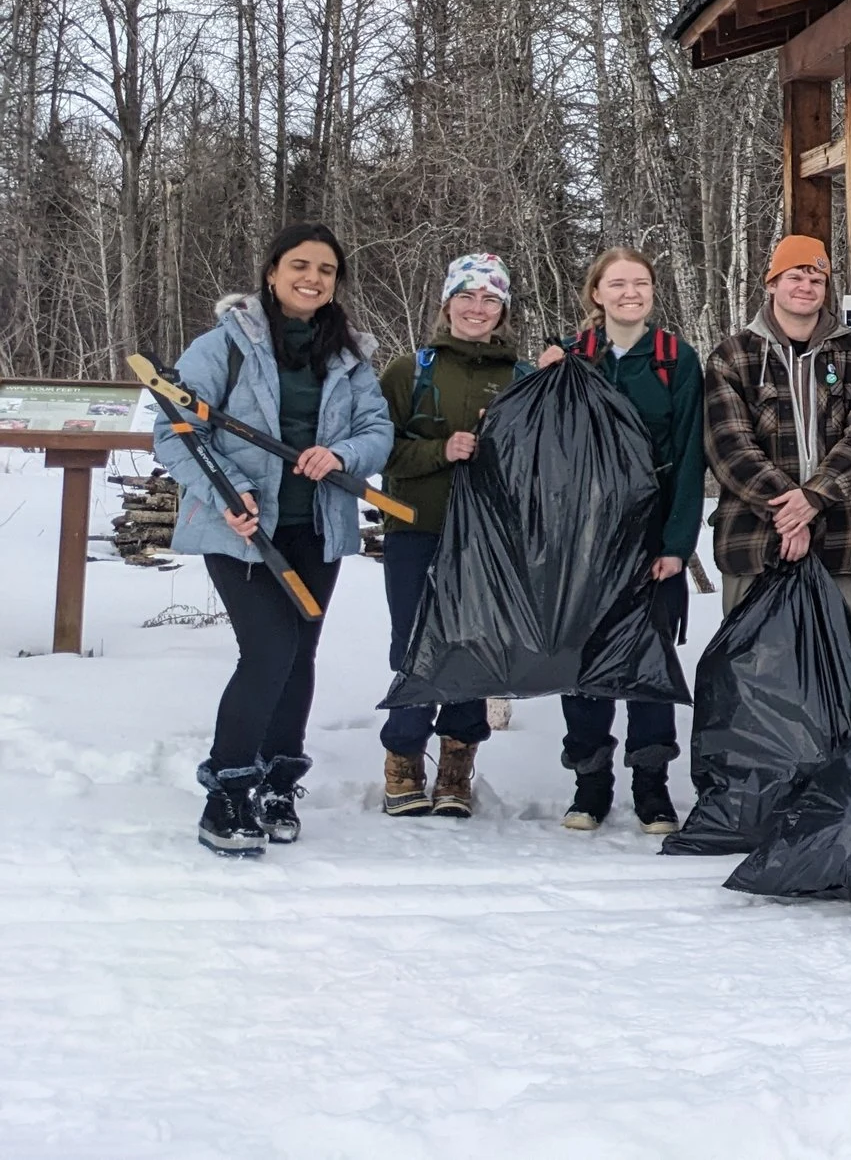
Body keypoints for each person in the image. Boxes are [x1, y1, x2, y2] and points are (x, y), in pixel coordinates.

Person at [153, 225, 392, 857]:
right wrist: (230, 491)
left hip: (316, 526)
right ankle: (226, 792)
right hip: (242, 531)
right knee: (269, 652)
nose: (312, 278)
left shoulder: (348, 356)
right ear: (271, 272)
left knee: (299, 655)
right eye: (299, 265)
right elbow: (174, 430)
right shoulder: (223, 344)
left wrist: (339, 454)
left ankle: (278, 782)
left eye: (326, 269)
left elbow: (376, 430)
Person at [545, 246, 707, 835]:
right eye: (617, 284)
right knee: (582, 657)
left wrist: (676, 543)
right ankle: (590, 784)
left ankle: (652, 786)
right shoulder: (570, 359)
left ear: (652, 292)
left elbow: (692, 455)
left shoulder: (674, 360)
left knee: (649, 660)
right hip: (582, 538)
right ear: (597, 294)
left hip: (651, 533)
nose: (629, 293)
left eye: (640, 283)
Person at [376, 252, 529, 821]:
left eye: (490, 299)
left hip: (489, 542)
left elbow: (542, 463)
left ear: (503, 310)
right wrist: (441, 450)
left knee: (474, 647)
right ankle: (403, 760)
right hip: (417, 528)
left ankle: (457, 768)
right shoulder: (408, 371)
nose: (477, 308)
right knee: (415, 646)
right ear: (447, 304)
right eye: (466, 296)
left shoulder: (522, 378)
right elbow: (377, 450)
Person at [703, 234, 851, 620]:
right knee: (753, 672)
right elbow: (730, 448)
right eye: (795, 277)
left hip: (839, 540)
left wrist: (814, 498)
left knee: (833, 667)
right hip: (753, 543)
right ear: (772, 284)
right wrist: (789, 514)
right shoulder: (732, 357)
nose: (806, 287)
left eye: (816, 280)